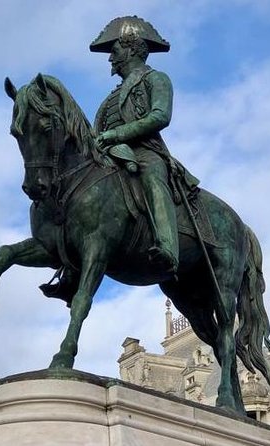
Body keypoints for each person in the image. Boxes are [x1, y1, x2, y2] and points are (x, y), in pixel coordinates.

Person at [90, 16, 196, 274]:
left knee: (153, 179)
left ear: (131, 49)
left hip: (146, 152)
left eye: (114, 51)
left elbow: (160, 116)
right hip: (111, 154)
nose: (110, 58)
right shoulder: (111, 96)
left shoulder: (156, 79)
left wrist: (118, 134)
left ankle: (168, 246)